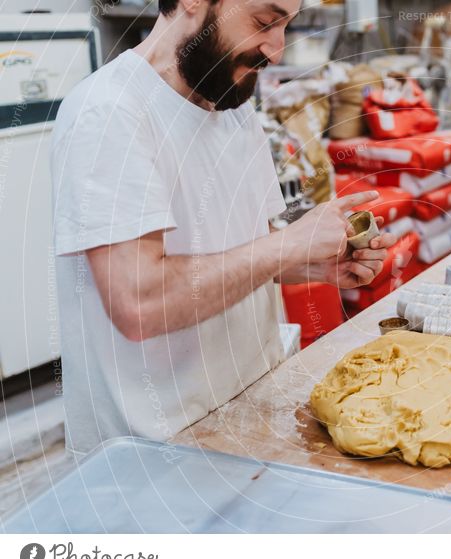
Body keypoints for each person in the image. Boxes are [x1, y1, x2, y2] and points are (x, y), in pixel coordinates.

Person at [50, 0, 395, 457]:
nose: (276, 50)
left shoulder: (232, 110)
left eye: (285, 26)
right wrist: (290, 245)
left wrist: (314, 264)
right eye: (264, 22)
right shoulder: (109, 113)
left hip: (248, 426)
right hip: (156, 459)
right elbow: (141, 303)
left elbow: (239, 255)